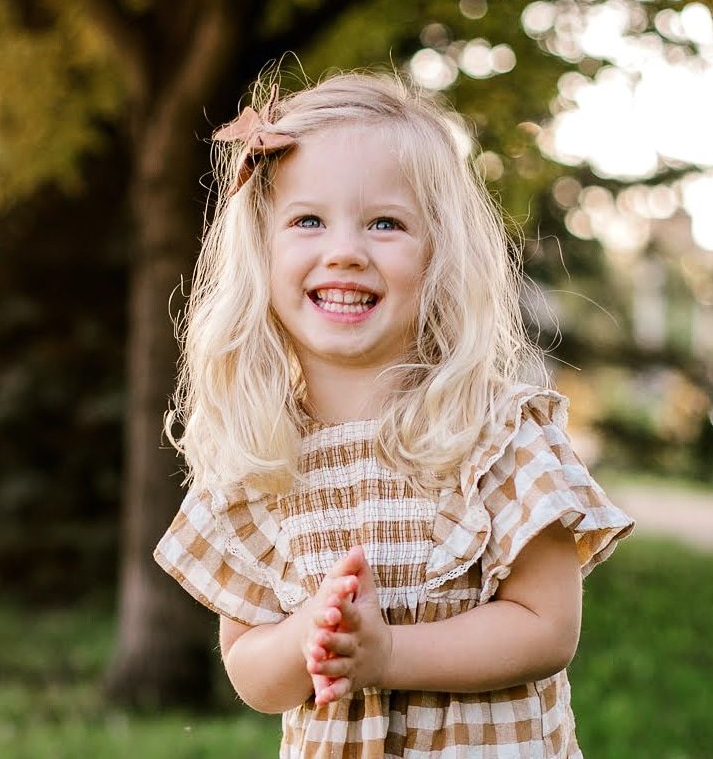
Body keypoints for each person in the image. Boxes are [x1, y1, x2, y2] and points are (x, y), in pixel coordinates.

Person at [154, 71, 633, 758]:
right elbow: (251, 671)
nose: (344, 250)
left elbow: (547, 627)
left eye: (385, 223)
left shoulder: (494, 435)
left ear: (439, 256)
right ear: (261, 251)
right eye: (308, 220)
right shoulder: (258, 458)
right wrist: (306, 635)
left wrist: (388, 657)